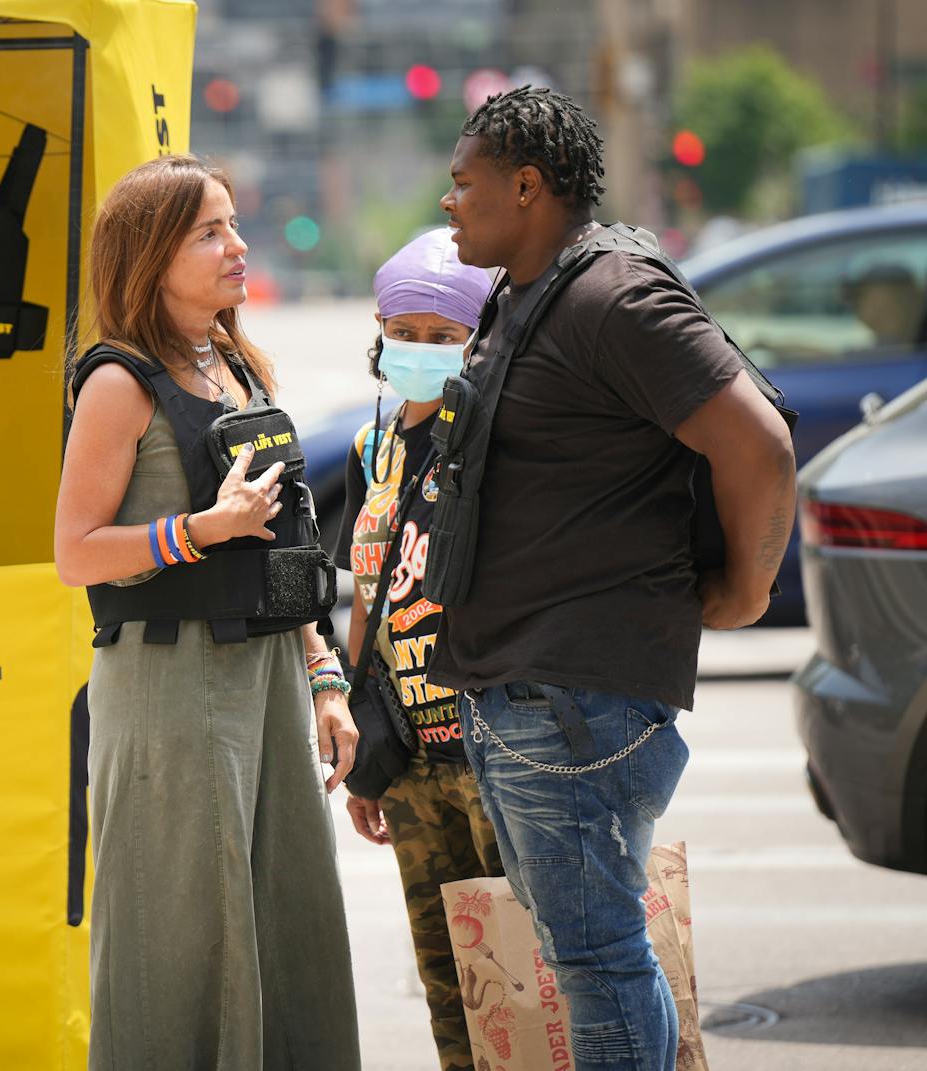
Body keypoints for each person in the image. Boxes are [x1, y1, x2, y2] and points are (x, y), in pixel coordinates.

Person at [429, 87, 796, 1070]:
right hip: (525, 689)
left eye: (462, 184)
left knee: (596, 965)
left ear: (526, 184)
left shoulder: (613, 297)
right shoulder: (523, 292)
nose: (446, 202)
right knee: (583, 955)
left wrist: (746, 593)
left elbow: (756, 446)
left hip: (574, 700)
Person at [54, 154, 361, 1070]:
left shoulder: (234, 362)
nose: (237, 246)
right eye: (210, 232)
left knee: (287, 918)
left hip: (265, 676)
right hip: (167, 683)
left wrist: (324, 674)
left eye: (232, 224)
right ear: (151, 254)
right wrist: (197, 530)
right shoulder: (119, 384)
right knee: (180, 939)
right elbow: (75, 551)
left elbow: (283, 545)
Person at [335, 228, 504, 1071]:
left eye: (445, 337)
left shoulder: (492, 443)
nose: (422, 349)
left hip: (491, 752)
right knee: (450, 985)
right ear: (379, 331)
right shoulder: (377, 450)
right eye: (407, 331)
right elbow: (366, 597)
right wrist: (365, 748)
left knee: (525, 983)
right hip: (409, 758)